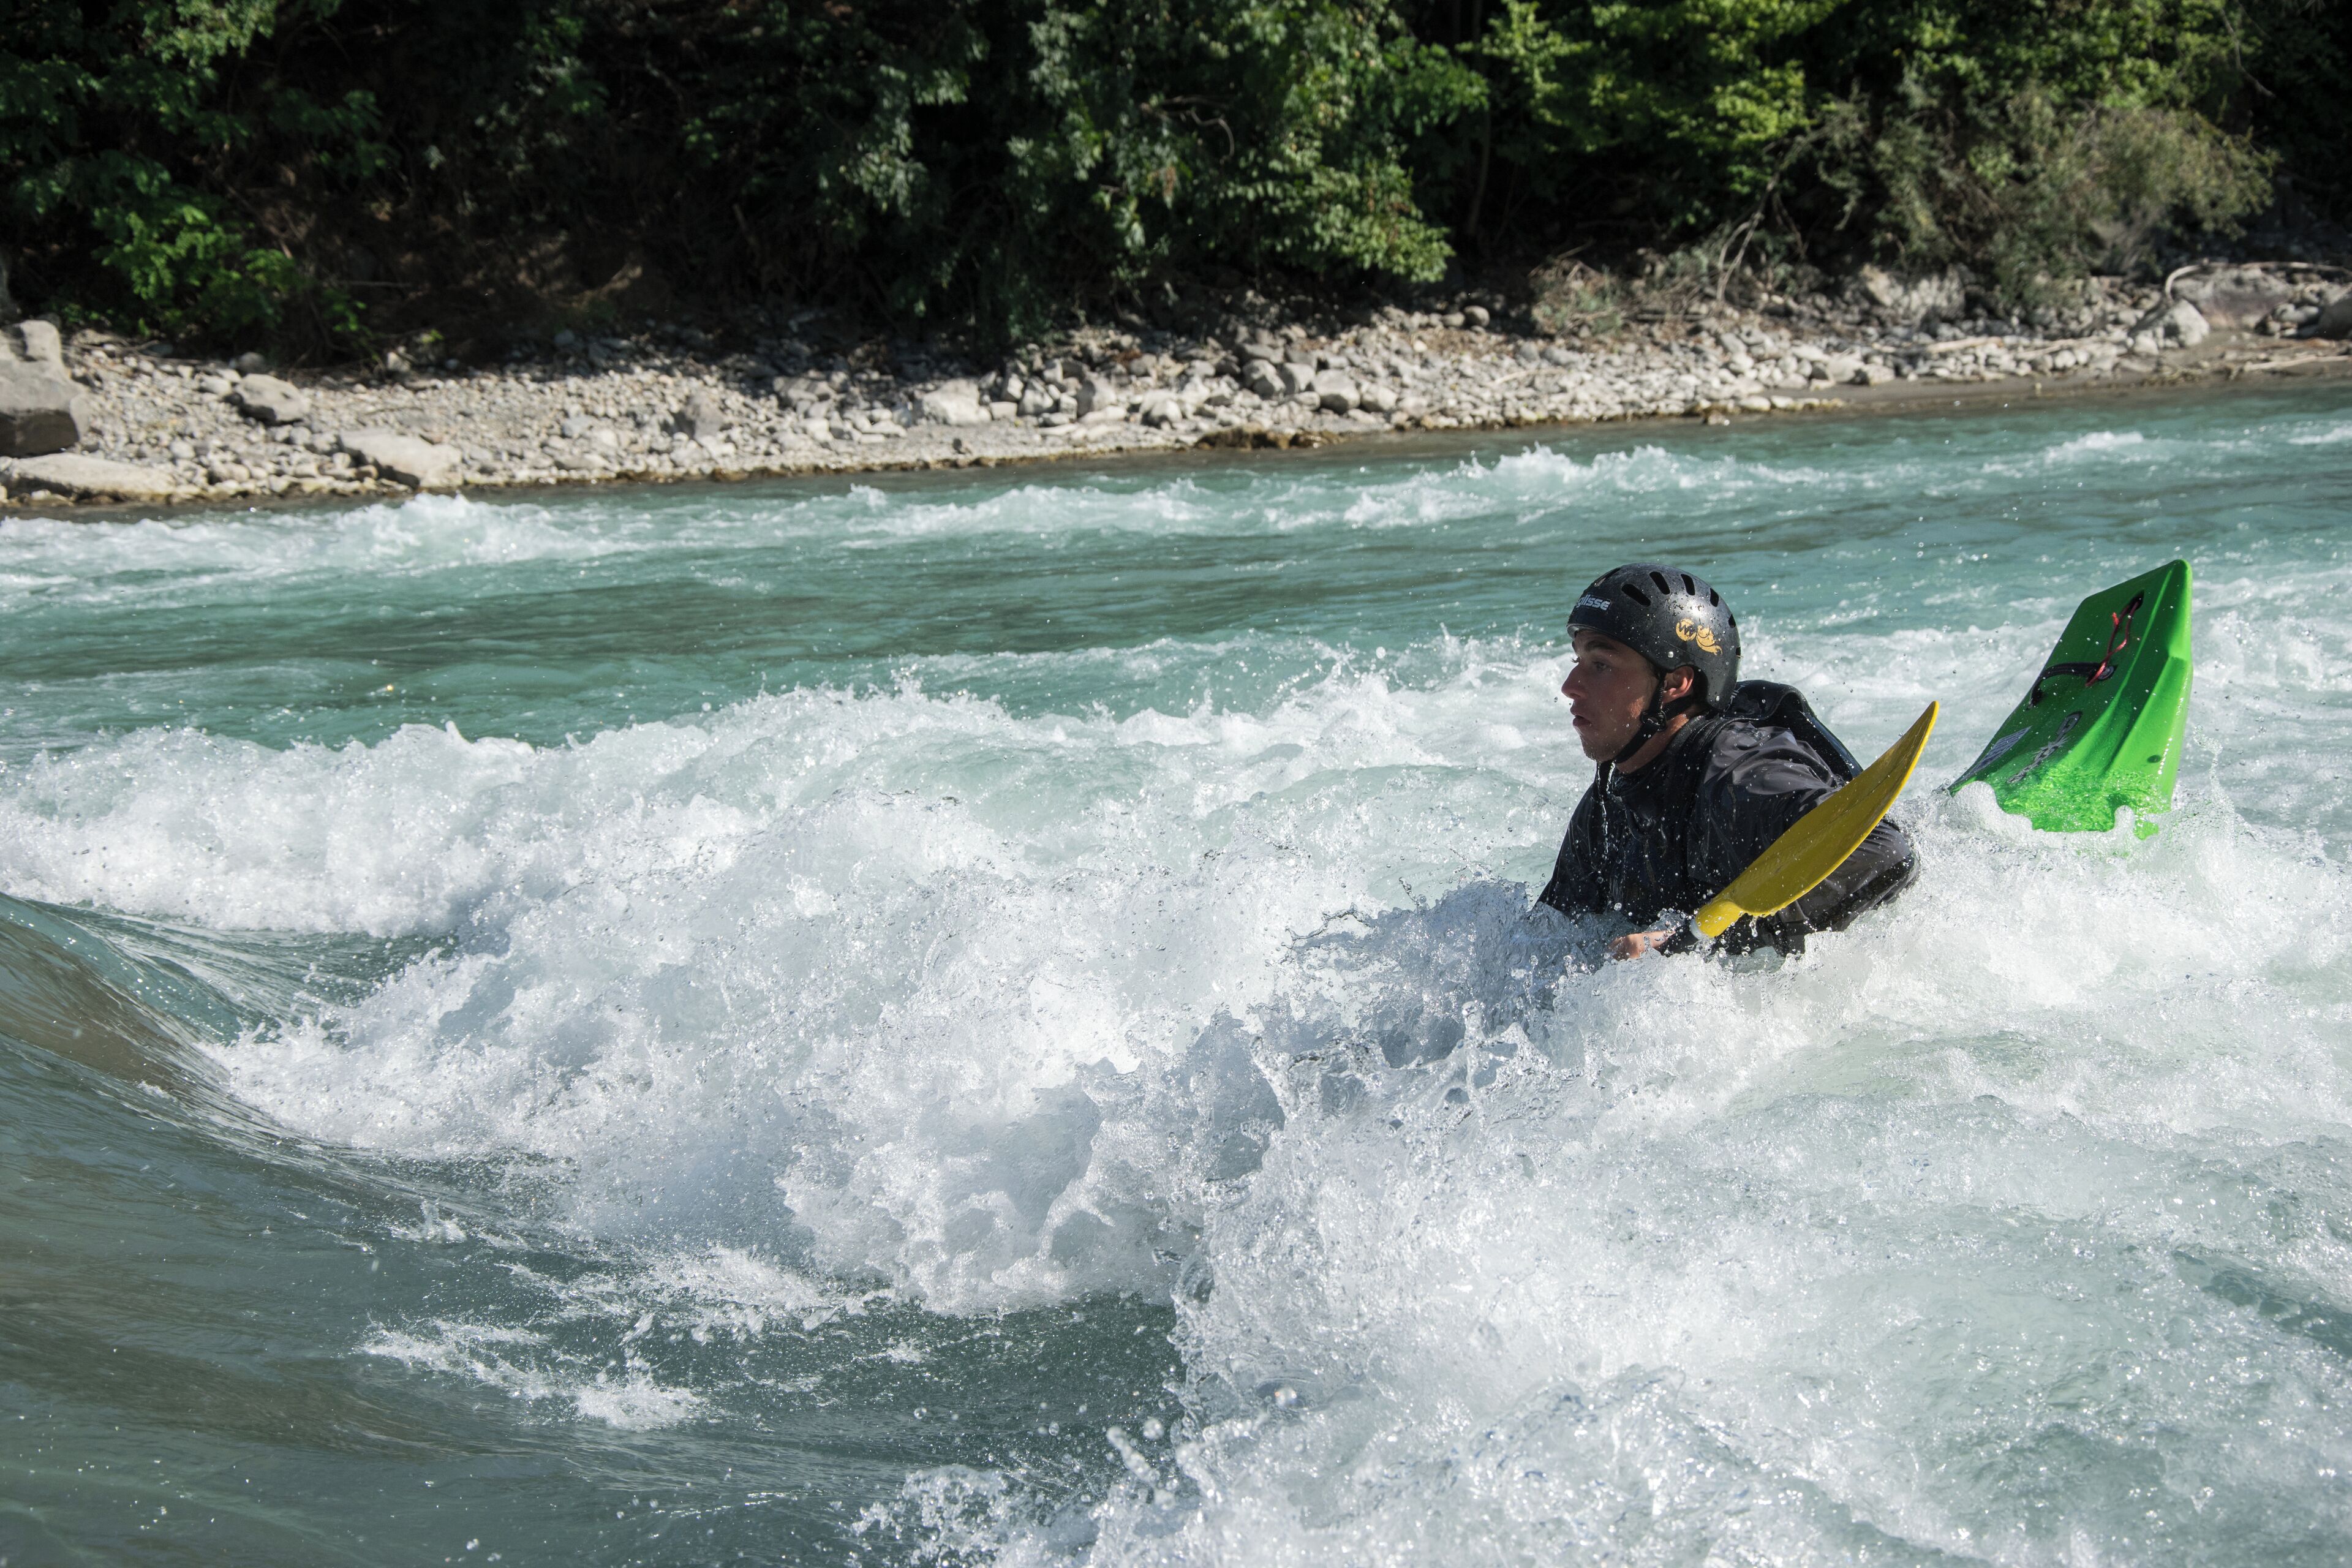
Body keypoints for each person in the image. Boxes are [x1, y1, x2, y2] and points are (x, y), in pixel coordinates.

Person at [1537, 564, 1917, 960]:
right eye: (1578, 660)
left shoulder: (1746, 773)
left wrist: (1692, 942)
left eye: (1601, 665)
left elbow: (1885, 853)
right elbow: (1550, 933)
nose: (1570, 686)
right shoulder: (1606, 805)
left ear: (1675, 683)